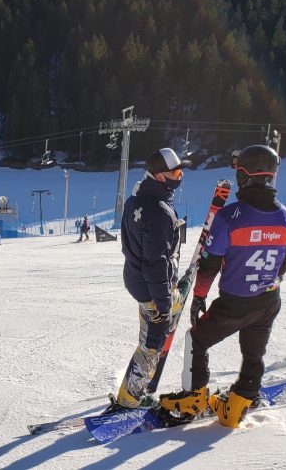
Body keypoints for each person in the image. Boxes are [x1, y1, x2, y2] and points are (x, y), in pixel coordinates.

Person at [158, 144, 286, 429]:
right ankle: (240, 402)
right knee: (254, 352)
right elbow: (283, 265)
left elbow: (209, 266)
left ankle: (194, 398)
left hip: (235, 302)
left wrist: (198, 298)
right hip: (269, 300)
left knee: (196, 340)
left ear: (243, 176)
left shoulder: (231, 217)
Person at [110, 148, 191, 411]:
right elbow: (156, 263)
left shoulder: (135, 200)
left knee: (155, 323)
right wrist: (164, 304)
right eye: (175, 173)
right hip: (152, 288)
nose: (180, 177)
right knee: (151, 345)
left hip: (138, 281)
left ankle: (174, 297)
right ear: (159, 177)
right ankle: (130, 399)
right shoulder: (159, 211)